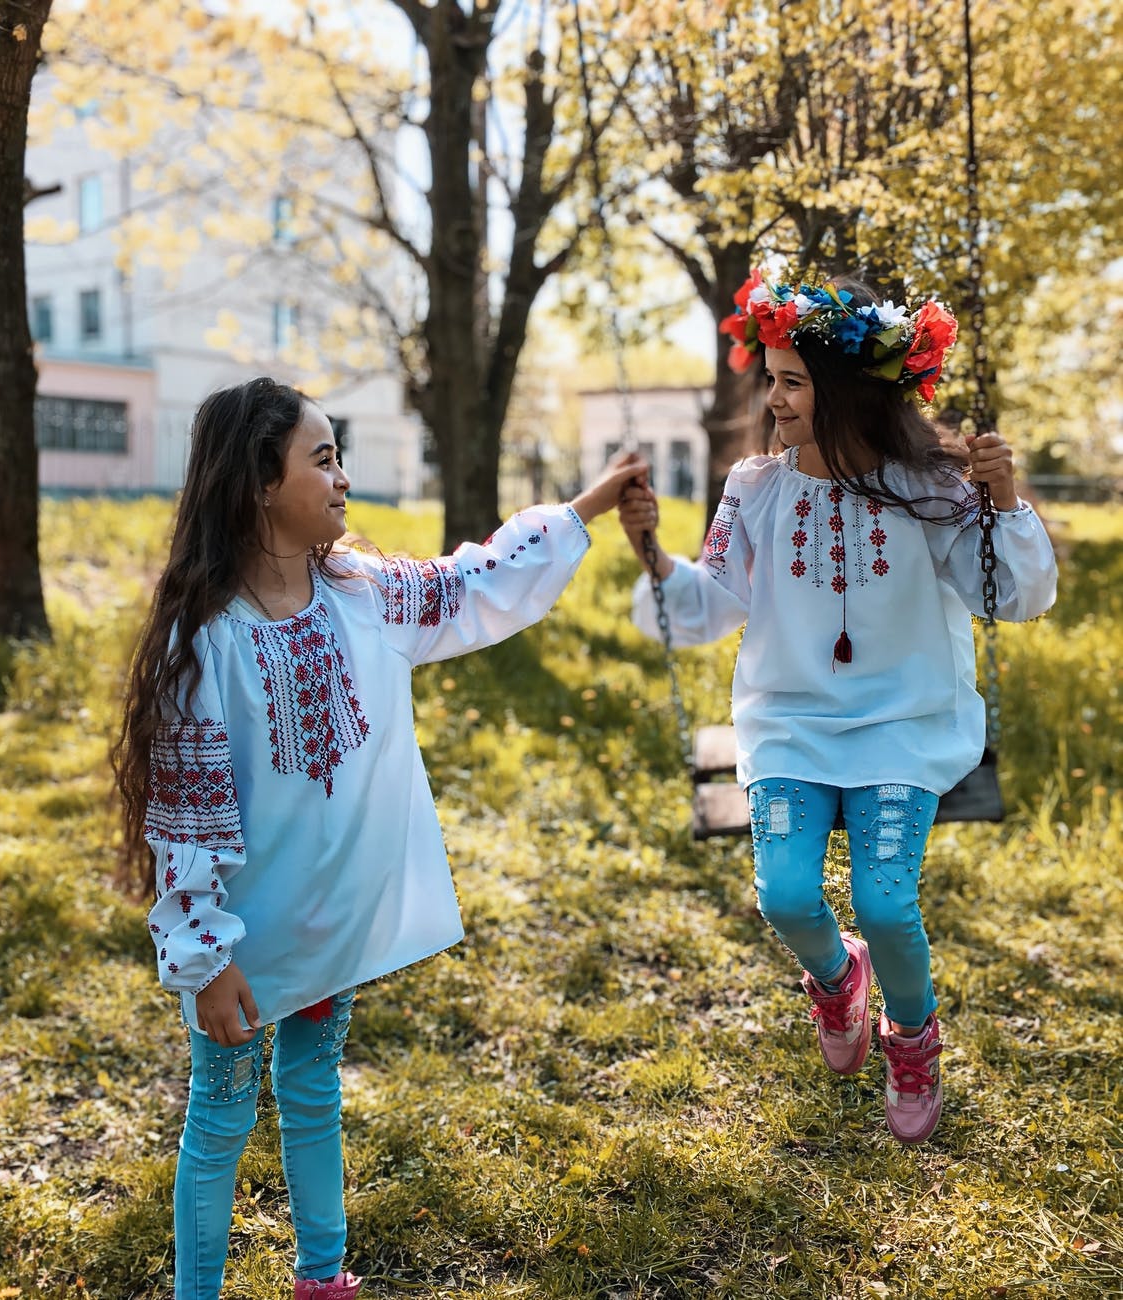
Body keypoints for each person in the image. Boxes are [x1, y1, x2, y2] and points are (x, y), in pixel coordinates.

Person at [112, 376, 647, 1300]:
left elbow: (475, 579)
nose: (341, 477)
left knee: (316, 1090)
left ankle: (322, 1277)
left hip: (332, 927)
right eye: (321, 459)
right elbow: (187, 817)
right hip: (244, 943)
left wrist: (590, 503)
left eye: (338, 455)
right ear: (258, 485)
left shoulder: (363, 594)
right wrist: (206, 955)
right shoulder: (205, 644)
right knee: (222, 1117)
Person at [618, 268, 1057, 1144]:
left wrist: (1003, 504)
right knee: (784, 895)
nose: (774, 400)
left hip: (904, 726)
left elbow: (1013, 597)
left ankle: (913, 1039)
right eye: (770, 378)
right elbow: (710, 602)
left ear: (847, 392)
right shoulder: (753, 488)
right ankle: (837, 978)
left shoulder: (931, 487)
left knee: (888, 904)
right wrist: (654, 563)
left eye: (793, 381)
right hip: (792, 725)